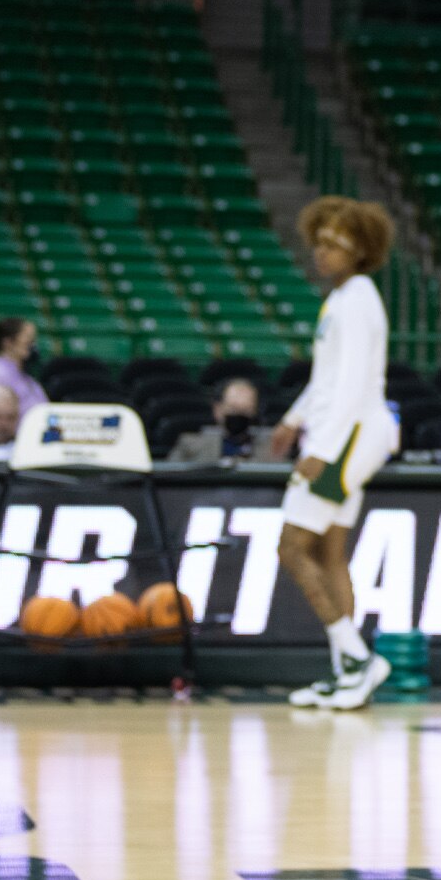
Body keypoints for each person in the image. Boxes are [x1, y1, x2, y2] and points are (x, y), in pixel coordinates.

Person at [277, 197, 402, 712]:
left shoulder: (359, 301)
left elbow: (351, 387)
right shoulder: (343, 298)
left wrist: (322, 451)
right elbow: (326, 380)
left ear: (360, 252)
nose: (323, 253)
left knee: (291, 547)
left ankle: (358, 660)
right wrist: (292, 419)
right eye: (320, 243)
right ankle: (347, 675)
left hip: (347, 439)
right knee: (328, 553)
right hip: (349, 434)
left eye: (336, 245)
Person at [167, 378, 263, 466]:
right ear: (217, 410)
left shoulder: (270, 448)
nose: (239, 415)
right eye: (233, 409)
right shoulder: (190, 445)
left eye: (246, 410)